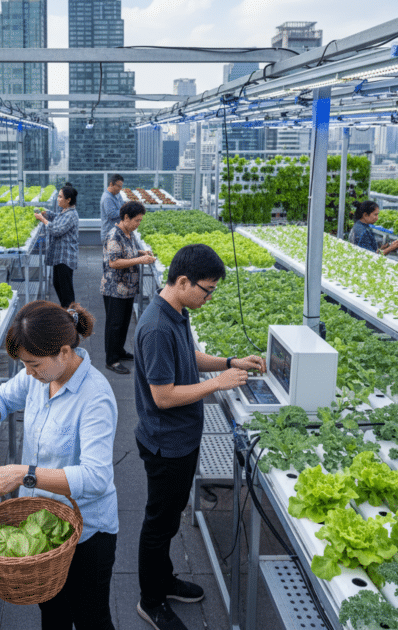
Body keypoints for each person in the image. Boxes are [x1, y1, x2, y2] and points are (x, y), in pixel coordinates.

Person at [0, 301, 118, 630]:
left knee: (92, 618)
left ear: (64, 351)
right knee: (53, 613)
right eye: (25, 365)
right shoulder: (40, 376)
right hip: (44, 524)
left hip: (87, 530)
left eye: (33, 365)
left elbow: (96, 478)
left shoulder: (95, 397)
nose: (29, 373)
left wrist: (24, 474)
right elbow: (0, 398)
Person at [133, 244, 266, 630]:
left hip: (181, 440)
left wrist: (228, 363)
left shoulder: (176, 310)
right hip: (166, 444)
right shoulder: (157, 326)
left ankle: (164, 579)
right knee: (158, 525)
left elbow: (189, 358)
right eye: (207, 290)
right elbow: (164, 395)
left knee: (170, 518)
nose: (209, 297)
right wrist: (217, 385)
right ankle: (150, 599)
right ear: (183, 281)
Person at [101, 201, 155, 375]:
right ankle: (112, 360)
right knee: (114, 325)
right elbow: (114, 262)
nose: (138, 223)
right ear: (125, 218)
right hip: (115, 288)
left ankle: (120, 351)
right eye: (137, 220)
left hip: (127, 288)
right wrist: (140, 260)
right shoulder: (114, 235)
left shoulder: (128, 233)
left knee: (123, 323)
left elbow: (129, 252)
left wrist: (142, 253)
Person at [35, 185, 79, 309]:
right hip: (59, 257)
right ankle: (67, 313)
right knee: (58, 284)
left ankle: (71, 317)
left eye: (60, 197)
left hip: (65, 258)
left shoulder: (71, 215)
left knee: (66, 291)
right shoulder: (66, 211)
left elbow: (56, 230)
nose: (57, 199)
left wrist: (43, 219)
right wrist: (47, 214)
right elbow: (58, 218)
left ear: (68, 199)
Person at [100, 174, 125, 243]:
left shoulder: (117, 194)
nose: (120, 189)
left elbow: (122, 205)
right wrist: (126, 210)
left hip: (116, 232)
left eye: (121, 186)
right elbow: (112, 214)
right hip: (109, 234)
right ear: (111, 184)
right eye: (119, 186)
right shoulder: (107, 198)